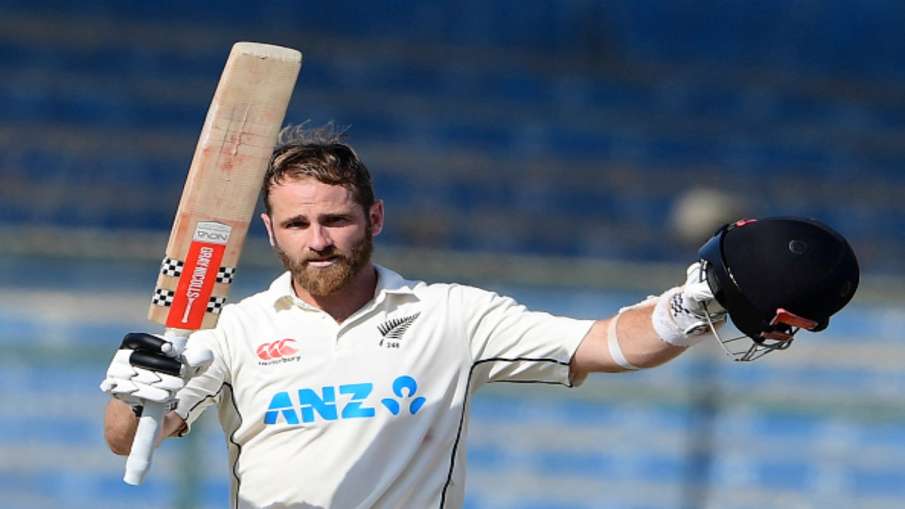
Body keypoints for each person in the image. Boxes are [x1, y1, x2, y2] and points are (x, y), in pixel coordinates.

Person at [101, 125, 725, 509]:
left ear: (373, 219)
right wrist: (136, 392)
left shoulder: (451, 316)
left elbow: (610, 344)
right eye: (297, 223)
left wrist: (694, 304)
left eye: (335, 220)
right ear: (270, 232)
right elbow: (129, 439)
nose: (318, 239)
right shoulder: (234, 329)